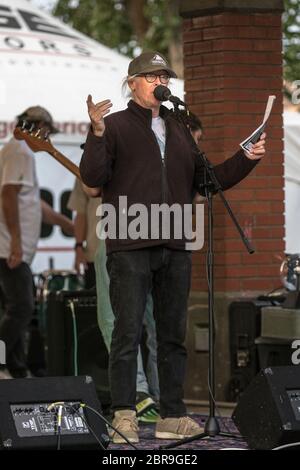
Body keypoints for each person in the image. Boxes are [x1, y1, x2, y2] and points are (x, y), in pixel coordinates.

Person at [79, 51, 266, 443]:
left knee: (171, 335)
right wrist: (95, 134)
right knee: (127, 333)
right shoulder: (112, 126)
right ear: (132, 83)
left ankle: (172, 415)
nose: (159, 81)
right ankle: (125, 414)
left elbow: (206, 180)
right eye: (150, 76)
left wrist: (245, 159)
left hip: (175, 243)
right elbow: (92, 178)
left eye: (164, 75)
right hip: (130, 241)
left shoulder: (178, 126)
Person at [0, 106, 73, 380]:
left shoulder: (18, 152)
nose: (46, 139)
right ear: (37, 126)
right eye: (46, 132)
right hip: (9, 250)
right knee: (21, 308)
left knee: (18, 311)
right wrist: (16, 243)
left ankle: (17, 370)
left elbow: (32, 202)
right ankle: (2, 361)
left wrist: (65, 222)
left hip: (13, 250)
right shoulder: (19, 151)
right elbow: (8, 195)